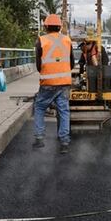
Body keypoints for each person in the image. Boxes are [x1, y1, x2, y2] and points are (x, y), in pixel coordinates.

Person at [34, 14, 73, 154]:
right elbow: (72, 63)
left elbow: (38, 66)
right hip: (64, 83)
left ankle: (39, 139)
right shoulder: (67, 40)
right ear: (59, 26)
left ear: (45, 26)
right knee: (63, 111)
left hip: (47, 83)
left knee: (39, 108)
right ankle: (64, 142)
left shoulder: (41, 40)